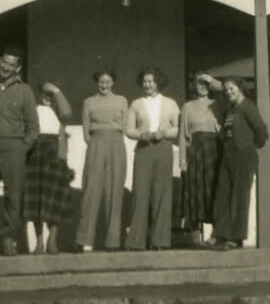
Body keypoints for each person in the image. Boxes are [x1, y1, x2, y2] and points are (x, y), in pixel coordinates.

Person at [206, 75, 268, 251]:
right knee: (223, 194)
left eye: (232, 88)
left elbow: (262, 132)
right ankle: (220, 234)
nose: (228, 92)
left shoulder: (247, 106)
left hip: (244, 156)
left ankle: (236, 238)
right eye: (226, 89)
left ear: (240, 88)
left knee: (239, 197)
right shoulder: (231, 109)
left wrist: (248, 147)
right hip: (228, 155)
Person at [0, 44, 38, 256]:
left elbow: (33, 127)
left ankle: (8, 239)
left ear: (18, 68)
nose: (6, 67)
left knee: (14, 197)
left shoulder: (24, 90)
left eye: (11, 64)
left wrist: (21, 148)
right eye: (4, 62)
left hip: (14, 147)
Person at [123, 66, 180, 251]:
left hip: (163, 149)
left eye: (151, 81)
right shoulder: (136, 104)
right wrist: (142, 135)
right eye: (145, 81)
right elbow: (128, 129)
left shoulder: (170, 103)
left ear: (158, 82)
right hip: (144, 150)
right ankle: (136, 241)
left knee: (161, 194)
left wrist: (164, 132)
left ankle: (160, 241)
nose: (147, 84)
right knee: (140, 193)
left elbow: (178, 129)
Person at [75, 69, 128, 251]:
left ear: (113, 82)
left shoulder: (122, 101)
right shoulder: (89, 102)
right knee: (92, 190)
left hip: (116, 144)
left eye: (108, 82)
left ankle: (112, 241)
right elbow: (86, 133)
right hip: (96, 143)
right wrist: (97, 144)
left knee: (114, 190)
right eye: (101, 82)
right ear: (97, 83)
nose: (104, 85)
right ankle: (86, 240)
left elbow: (125, 126)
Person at [23, 81, 73, 254]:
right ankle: (39, 241)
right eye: (44, 94)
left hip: (54, 153)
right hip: (35, 154)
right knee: (36, 199)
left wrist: (55, 91)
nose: (47, 97)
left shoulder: (60, 113)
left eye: (50, 94)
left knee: (55, 197)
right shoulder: (34, 110)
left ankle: (53, 239)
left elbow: (67, 112)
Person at [178, 72, 220, 244]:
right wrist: (182, 159)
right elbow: (182, 136)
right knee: (194, 189)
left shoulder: (217, 104)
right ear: (193, 86)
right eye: (199, 84)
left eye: (205, 84)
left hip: (213, 150)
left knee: (213, 189)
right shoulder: (187, 107)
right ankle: (195, 234)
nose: (202, 87)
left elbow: (225, 90)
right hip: (194, 151)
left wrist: (210, 78)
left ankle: (216, 235)